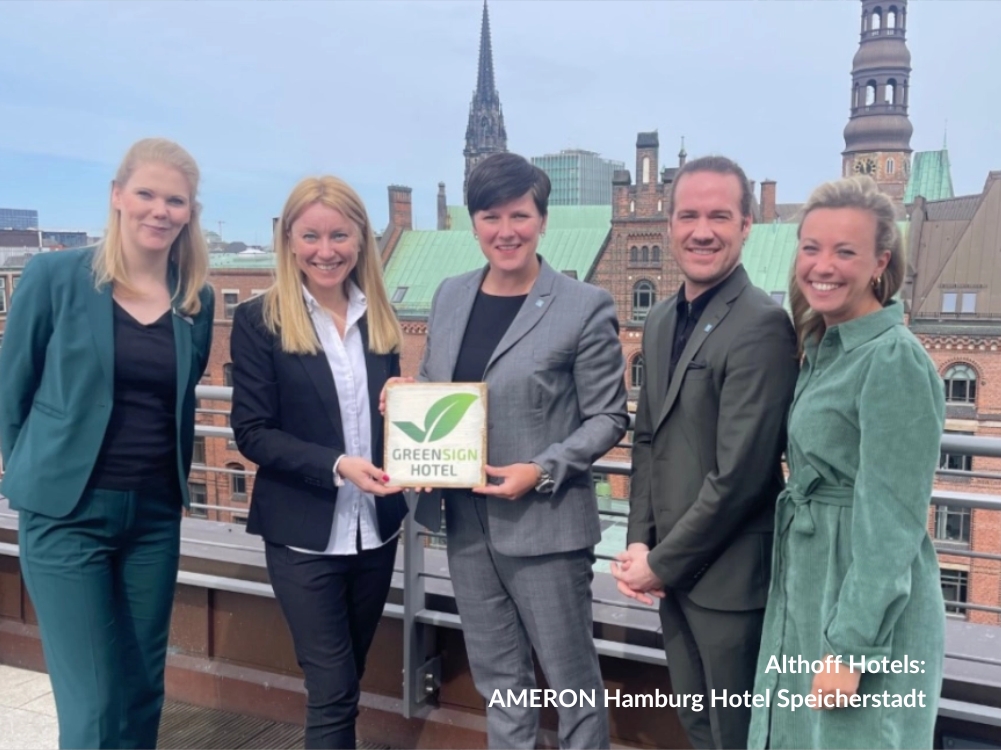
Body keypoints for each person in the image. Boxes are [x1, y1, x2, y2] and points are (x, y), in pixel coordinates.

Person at [409, 152, 628, 749]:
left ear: (542, 220)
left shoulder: (582, 306)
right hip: (466, 524)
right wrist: (407, 398)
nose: (506, 231)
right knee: (500, 682)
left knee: (572, 684)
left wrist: (542, 468)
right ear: (473, 223)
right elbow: (438, 387)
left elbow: (610, 415)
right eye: (490, 216)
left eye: (519, 215)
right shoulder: (451, 295)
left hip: (547, 528)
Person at [0, 138, 214, 749]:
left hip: (151, 516)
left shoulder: (191, 302)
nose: (159, 210)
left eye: (175, 200)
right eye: (146, 193)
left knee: (142, 687)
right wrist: (36, 481)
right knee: (93, 703)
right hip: (66, 516)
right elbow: (11, 391)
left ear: (189, 212)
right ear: (117, 196)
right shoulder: (55, 277)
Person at [747, 176, 945, 749]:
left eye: (845, 251)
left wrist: (851, 649)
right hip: (812, 579)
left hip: (860, 599)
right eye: (811, 248)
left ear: (881, 262)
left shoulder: (893, 360)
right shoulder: (824, 346)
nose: (822, 266)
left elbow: (893, 522)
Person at [612, 155, 799, 749]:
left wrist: (661, 563)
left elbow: (740, 477)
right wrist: (640, 537)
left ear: (747, 225)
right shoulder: (664, 317)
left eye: (720, 215)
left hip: (730, 584)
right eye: (688, 215)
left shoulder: (762, 325)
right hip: (674, 573)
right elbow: (647, 436)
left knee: (738, 735)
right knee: (698, 726)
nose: (702, 230)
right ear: (669, 225)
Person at [230, 176, 407, 750]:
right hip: (304, 535)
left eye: (338, 235)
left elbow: (389, 418)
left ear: (360, 239)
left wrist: (404, 406)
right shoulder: (261, 321)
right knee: (332, 690)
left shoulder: (378, 318)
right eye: (310, 236)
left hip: (375, 534)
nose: (324, 250)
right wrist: (337, 464)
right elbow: (252, 433)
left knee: (347, 681)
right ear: (289, 240)